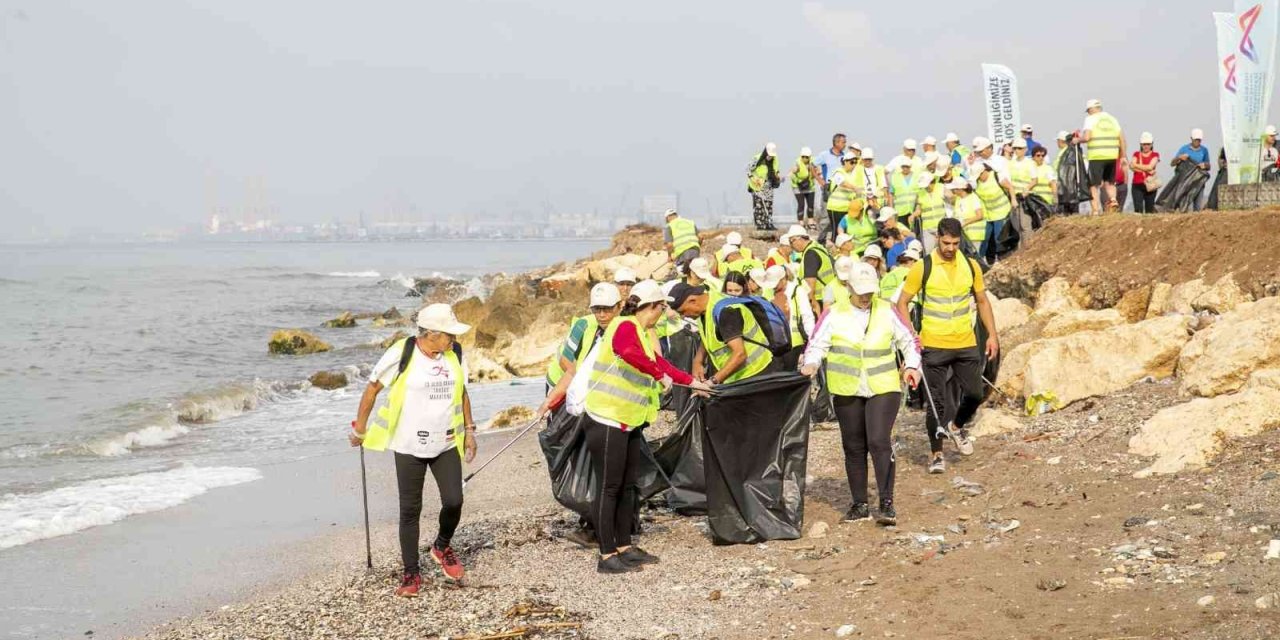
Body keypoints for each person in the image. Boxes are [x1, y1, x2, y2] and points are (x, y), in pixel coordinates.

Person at [582, 280, 710, 573]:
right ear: (652, 307)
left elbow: (660, 364)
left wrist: (693, 383)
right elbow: (630, 354)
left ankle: (624, 545)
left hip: (627, 419)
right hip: (605, 418)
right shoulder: (625, 325)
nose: (662, 315)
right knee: (609, 487)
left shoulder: (639, 331)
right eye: (661, 309)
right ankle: (606, 555)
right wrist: (657, 374)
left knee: (628, 485)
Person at [350, 303, 478, 596]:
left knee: (454, 500)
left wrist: (469, 431)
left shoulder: (454, 354)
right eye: (449, 334)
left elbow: (462, 392)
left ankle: (442, 546)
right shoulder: (402, 353)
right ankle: (411, 574)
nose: (453, 340)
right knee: (410, 510)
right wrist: (360, 429)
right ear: (431, 334)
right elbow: (372, 388)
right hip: (408, 445)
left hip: (446, 442)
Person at [803, 262, 921, 525]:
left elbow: (909, 341)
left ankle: (886, 502)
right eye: (861, 292)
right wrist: (811, 364)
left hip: (883, 386)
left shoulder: (887, 310)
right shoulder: (834, 314)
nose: (867, 297)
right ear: (848, 287)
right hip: (847, 388)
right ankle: (859, 504)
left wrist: (912, 366)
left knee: (879, 441)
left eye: (870, 291)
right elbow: (816, 344)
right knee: (854, 447)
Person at [895, 218, 999, 474]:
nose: (950, 248)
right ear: (937, 239)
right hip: (934, 345)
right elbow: (901, 303)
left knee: (975, 393)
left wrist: (992, 335)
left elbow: (982, 301)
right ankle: (937, 453)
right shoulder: (923, 267)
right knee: (936, 403)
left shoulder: (971, 266)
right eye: (946, 243)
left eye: (955, 243)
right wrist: (911, 335)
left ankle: (956, 427)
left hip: (965, 343)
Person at [671, 282, 778, 384]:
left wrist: (713, 381)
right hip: (737, 377)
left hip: (756, 374)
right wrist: (698, 360)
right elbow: (710, 335)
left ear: (692, 300)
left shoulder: (725, 312)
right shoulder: (705, 307)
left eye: (682, 312)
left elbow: (740, 354)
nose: (683, 317)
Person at [545, 283, 623, 395]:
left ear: (619, 306)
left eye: (607, 309)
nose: (601, 315)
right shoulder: (583, 325)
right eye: (596, 309)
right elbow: (565, 362)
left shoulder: (625, 326)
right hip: (558, 381)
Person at [970, 139, 1014, 262]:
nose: (980, 153)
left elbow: (1008, 184)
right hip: (989, 215)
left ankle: (1004, 261)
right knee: (988, 241)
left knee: (999, 239)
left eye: (982, 151)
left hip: (1002, 212)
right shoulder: (978, 164)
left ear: (990, 148)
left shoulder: (1000, 163)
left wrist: (1014, 201)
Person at [1080, 98, 1126, 214]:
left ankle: (1095, 210)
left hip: (1097, 155)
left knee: (1093, 184)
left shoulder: (1090, 119)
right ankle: (1114, 200)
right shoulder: (1112, 119)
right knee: (1109, 182)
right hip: (1112, 155)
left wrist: (1077, 140)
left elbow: (1087, 137)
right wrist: (1123, 156)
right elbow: (1122, 138)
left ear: (1091, 109)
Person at [782, 223, 836, 316]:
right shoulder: (817, 247)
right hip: (829, 295)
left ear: (800, 238)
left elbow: (810, 284)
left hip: (819, 300)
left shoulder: (810, 254)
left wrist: (813, 305)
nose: (791, 246)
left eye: (792, 241)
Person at [1172, 129, 1211, 212]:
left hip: (1198, 182)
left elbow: (1208, 166)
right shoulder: (1184, 149)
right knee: (1184, 206)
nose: (1197, 142)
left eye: (1199, 140)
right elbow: (1172, 163)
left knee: (1197, 207)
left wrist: (1204, 165)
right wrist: (1180, 158)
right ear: (1191, 139)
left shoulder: (1204, 150)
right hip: (1186, 183)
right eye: (1195, 140)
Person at [747, 142, 781, 230]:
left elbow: (776, 170)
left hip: (768, 184)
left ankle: (768, 223)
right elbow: (748, 170)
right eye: (769, 155)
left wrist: (778, 177)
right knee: (759, 206)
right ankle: (760, 224)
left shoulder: (775, 159)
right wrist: (753, 179)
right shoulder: (757, 158)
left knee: (768, 204)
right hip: (756, 185)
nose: (770, 157)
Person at [825, 151, 859, 239]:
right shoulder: (838, 172)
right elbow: (842, 183)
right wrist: (855, 188)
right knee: (836, 233)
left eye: (855, 162)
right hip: (835, 208)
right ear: (845, 162)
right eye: (852, 162)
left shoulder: (853, 175)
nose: (854, 165)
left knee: (846, 233)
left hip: (846, 209)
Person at [788, 147, 823, 228]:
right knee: (801, 204)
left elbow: (818, 171)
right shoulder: (798, 163)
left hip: (810, 186)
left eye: (806, 157)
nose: (804, 158)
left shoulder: (813, 162)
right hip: (798, 187)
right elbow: (792, 172)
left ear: (810, 157)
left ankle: (811, 221)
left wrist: (818, 173)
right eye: (803, 156)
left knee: (810, 205)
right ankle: (801, 222)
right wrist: (795, 178)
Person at [951, 178, 986, 251]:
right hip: (963, 234)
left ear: (961, 189)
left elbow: (979, 215)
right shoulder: (958, 199)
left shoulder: (973, 197)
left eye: (955, 189)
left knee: (974, 256)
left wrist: (964, 222)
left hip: (974, 234)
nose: (953, 191)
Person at [1130, 132, 1160, 213]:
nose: (1146, 146)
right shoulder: (1136, 154)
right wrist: (1147, 169)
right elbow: (1131, 167)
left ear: (1151, 144)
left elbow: (1150, 166)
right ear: (1141, 144)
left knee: (1149, 210)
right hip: (1137, 185)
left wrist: (1136, 165)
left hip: (1150, 186)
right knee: (1138, 209)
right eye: (1144, 144)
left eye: (1148, 144)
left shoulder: (1155, 154)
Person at [889, 157, 921, 225]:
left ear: (910, 166)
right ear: (901, 167)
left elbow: (920, 193)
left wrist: (918, 208)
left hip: (914, 210)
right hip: (900, 211)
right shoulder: (894, 177)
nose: (905, 168)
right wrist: (891, 211)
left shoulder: (917, 176)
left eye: (907, 167)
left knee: (915, 233)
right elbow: (891, 195)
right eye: (903, 166)